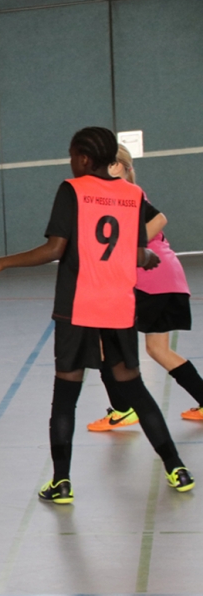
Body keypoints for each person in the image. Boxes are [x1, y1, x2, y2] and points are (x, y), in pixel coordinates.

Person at [0, 127, 194, 503]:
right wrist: (145, 256)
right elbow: (132, 250)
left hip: (78, 307)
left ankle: (61, 482)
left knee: (66, 394)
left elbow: (55, 249)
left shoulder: (72, 190)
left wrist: (2, 262)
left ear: (83, 158)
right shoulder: (133, 194)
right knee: (135, 390)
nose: (70, 162)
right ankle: (177, 467)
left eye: (72, 155)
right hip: (118, 306)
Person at [87, 145, 203, 431]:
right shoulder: (119, 194)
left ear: (119, 166)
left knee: (105, 345)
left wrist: (128, 249)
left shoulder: (123, 192)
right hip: (168, 276)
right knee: (158, 349)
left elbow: (158, 219)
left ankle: (123, 410)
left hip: (149, 278)